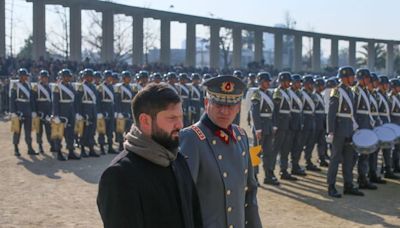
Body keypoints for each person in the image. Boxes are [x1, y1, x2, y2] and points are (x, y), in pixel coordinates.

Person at [97, 83, 202, 228]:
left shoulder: (178, 160)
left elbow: (195, 218)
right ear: (145, 121)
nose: (180, 125)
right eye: (171, 118)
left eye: (180, 117)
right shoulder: (119, 175)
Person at [180, 75, 262, 228]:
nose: (224, 111)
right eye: (218, 104)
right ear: (206, 103)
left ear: (238, 108)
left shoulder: (241, 136)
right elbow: (183, 198)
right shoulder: (192, 137)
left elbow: (250, 192)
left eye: (230, 106)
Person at [326, 66, 364, 198]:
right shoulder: (336, 91)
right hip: (339, 129)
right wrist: (330, 131)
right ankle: (331, 186)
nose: (353, 78)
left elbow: (352, 113)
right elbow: (331, 113)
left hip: (349, 128)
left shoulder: (350, 91)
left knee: (349, 159)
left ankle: (348, 185)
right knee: (335, 159)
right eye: (351, 76)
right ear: (344, 77)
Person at [250, 72, 278, 185]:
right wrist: (258, 129)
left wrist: (274, 125)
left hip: (269, 125)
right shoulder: (256, 94)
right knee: (256, 152)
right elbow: (255, 112)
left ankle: (268, 175)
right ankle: (253, 177)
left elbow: (274, 111)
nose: (268, 83)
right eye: (267, 81)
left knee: (268, 152)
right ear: (261, 82)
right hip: (260, 126)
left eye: (269, 81)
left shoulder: (270, 94)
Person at [352, 69, 377, 190]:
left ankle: (363, 178)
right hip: (360, 126)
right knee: (355, 155)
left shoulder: (365, 91)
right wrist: (355, 127)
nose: (369, 80)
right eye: (367, 78)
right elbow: (353, 111)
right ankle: (354, 180)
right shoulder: (356, 90)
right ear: (361, 78)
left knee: (365, 154)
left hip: (366, 125)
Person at [52, 69, 80, 161]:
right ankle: (59, 152)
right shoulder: (57, 87)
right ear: (62, 77)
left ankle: (71, 151)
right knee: (59, 133)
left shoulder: (71, 86)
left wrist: (75, 112)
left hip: (71, 111)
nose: (67, 78)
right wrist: (56, 115)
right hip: (62, 111)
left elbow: (74, 101)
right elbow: (55, 102)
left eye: (68, 76)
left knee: (70, 132)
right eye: (65, 76)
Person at [272, 72, 296, 181]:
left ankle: (284, 170)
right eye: (287, 81)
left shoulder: (287, 92)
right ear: (282, 81)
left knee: (286, 149)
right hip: (280, 123)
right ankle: (270, 172)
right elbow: (275, 111)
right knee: (275, 149)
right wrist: (275, 125)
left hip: (287, 123)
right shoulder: (278, 93)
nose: (289, 83)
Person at [10, 68, 38, 156]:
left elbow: (32, 99)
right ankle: (16, 148)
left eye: (26, 76)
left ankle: (30, 148)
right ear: (20, 76)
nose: (26, 77)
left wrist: (33, 110)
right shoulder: (15, 86)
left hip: (28, 110)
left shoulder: (28, 85)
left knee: (28, 131)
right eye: (24, 76)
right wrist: (13, 111)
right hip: (19, 110)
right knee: (17, 130)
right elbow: (12, 100)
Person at [76, 68, 99, 157]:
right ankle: (82, 149)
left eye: (91, 76)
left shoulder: (93, 86)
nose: (89, 78)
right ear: (84, 77)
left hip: (93, 110)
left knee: (92, 131)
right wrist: (79, 113)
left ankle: (91, 149)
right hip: (85, 110)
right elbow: (78, 102)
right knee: (83, 131)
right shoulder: (81, 87)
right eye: (87, 76)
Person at [33, 70, 54, 153]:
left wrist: (51, 112)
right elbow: (33, 101)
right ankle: (40, 146)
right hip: (39, 111)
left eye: (46, 78)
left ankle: (52, 145)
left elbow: (52, 101)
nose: (45, 79)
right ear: (40, 78)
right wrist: (35, 111)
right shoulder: (36, 87)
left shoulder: (50, 87)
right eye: (43, 77)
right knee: (39, 130)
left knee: (49, 130)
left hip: (48, 111)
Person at [97, 70, 118, 155]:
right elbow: (98, 101)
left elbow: (114, 101)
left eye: (111, 77)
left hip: (111, 110)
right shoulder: (101, 87)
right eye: (108, 77)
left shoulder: (112, 87)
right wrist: (100, 112)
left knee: (110, 130)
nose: (110, 79)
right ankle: (101, 147)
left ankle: (110, 146)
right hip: (104, 109)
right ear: (105, 78)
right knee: (102, 130)